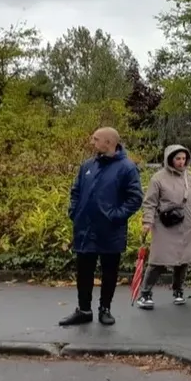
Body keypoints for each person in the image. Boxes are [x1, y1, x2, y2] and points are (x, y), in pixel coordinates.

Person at [60, 127, 143, 327]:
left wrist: (116, 216)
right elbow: (76, 190)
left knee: (109, 271)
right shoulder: (88, 165)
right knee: (84, 271)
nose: (92, 141)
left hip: (110, 230)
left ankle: (105, 309)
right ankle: (84, 310)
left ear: (108, 142)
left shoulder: (126, 168)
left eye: (96, 139)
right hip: (85, 228)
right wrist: (75, 212)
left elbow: (135, 198)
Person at [137, 145, 191, 309]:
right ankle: (145, 294)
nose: (181, 162)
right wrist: (147, 221)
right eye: (177, 159)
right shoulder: (158, 178)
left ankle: (178, 290)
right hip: (165, 224)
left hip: (186, 224)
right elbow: (150, 202)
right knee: (158, 260)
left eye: (183, 158)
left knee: (183, 260)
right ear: (170, 159)